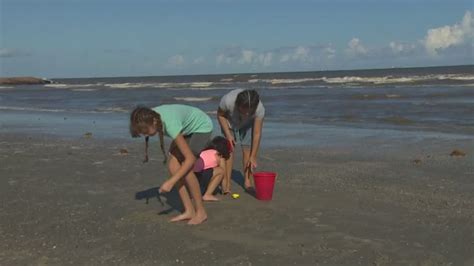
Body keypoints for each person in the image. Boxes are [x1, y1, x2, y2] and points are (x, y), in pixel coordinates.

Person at [130, 104, 212, 225]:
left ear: (153, 121)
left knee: (187, 168)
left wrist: (171, 182)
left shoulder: (170, 124)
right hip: (185, 129)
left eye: (146, 131)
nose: (146, 134)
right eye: (142, 133)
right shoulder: (149, 117)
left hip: (201, 127)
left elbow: (190, 160)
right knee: (173, 166)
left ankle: (201, 212)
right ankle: (189, 210)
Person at [217, 89, 265, 192]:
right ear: (238, 105)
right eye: (244, 110)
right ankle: (227, 183)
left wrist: (253, 156)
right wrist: (228, 134)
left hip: (247, 124)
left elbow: (256, 134)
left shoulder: (259, 109)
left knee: (247, 151)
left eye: (250, 111)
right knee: (229, 150)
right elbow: (220, 115)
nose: (247, 113)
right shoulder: (227, 101)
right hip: (229, 120)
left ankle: (247, 182)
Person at [193, 136, 231, 201]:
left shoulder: (205, 151)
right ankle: (207, 195)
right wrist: (225, 189)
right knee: (220, 171)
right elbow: (224, 175)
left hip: (192, 179)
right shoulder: (219, 155)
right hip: (199, 178)